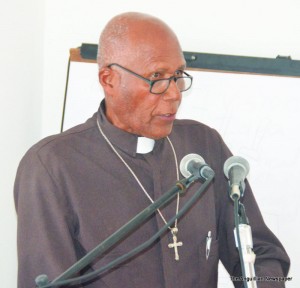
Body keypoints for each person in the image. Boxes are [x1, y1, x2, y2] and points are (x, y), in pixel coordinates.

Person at [14, 12, 290, 288]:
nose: (175, 94)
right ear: (109, 80)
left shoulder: (204, 146)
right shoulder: (51, 167)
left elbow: (262, 254)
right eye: (156, 77)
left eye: (178, 75)